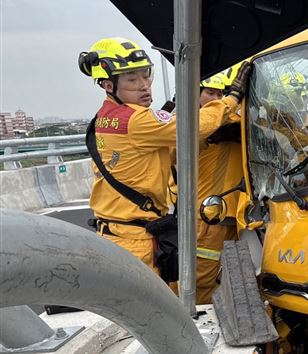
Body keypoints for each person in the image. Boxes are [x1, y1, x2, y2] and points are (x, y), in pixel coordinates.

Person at [79, 37, 250, 281]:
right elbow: (193, 124)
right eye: (132, 79)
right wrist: (231, 99)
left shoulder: (106, 117)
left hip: (116, 231)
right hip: (134, 239)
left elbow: (159, 155)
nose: (144, 85)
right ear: (108, 85)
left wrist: (207, 141)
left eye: (146, 75)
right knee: (148, 302)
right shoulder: (136, 120)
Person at [195, 66, 246, 304]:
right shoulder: (194, 127)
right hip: (207, 219)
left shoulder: (235, 121)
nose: (216, 98)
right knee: (200, 282)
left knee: (238, 282)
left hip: (237, 217)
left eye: (220, 93)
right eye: (210, 93)